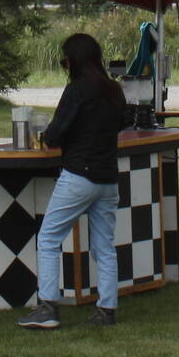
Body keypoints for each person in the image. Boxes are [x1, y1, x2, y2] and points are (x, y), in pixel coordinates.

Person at [17, 32, 132, 330]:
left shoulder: (77, 89)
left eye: (64, 60)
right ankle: (107, 310)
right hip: (108, 177)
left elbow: (55, 134)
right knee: (104, 246)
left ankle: (47, 307)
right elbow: (123, 123)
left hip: (79, 174)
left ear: (73, 61)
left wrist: (46, 136)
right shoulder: (113, 90)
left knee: (49, 237)